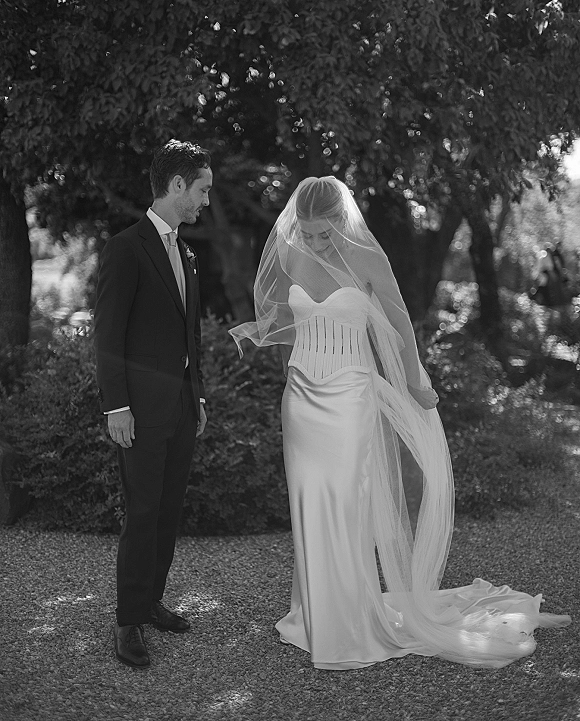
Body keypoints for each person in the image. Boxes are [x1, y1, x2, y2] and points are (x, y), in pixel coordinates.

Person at [229, 176, 570, 671]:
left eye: (324, 232)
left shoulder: (366, 258)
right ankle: (313, 616)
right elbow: (287, 316)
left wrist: (413, 382)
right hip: (300, 397)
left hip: (350, 395)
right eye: (307, 232)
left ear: (341, 221)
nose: (316, 242)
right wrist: (271, 353)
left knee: (345, 502)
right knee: (307, 500)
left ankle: (349, 622)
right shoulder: (290, 251)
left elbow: (399, 321)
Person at [94, 139, 211, 668]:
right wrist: (116, 407)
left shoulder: (187, 252)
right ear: (177, 186)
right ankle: (126, 623)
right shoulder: (126, 247)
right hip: (137, 412)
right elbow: (109, 335)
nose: (206, 200)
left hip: (182, 408)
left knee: (167, 512)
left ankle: (150, 602)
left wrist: (198, 394)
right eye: (202, 189)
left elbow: (192, 335)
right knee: (142, 513)